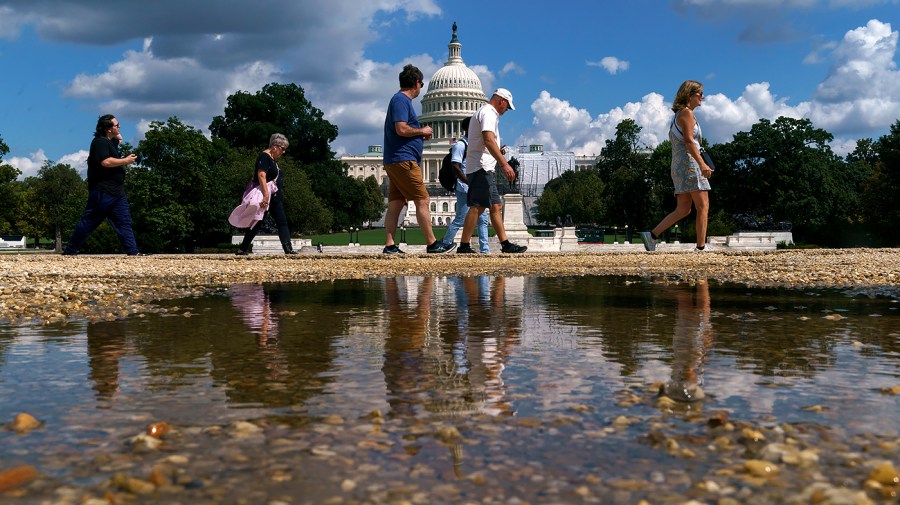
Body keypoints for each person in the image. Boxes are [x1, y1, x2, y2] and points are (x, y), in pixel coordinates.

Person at [382, 64, 455, 254]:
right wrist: (422, 130)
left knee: (396, 203)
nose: (421, 88)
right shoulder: (401, 100)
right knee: (423, 199)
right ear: (416, 83)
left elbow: (403, 131)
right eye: (421, 84)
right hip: (403, 159)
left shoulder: (399, 101)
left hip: (395, 159)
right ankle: (432, 244)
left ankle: (390, 245)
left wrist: (419, 136)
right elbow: (401, 129)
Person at [641, 80, 713, 252]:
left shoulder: (678, 115)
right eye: (699, 94)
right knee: (703, 206)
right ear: (689, 95)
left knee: (683, 209)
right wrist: (702, 164)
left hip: (679, 165)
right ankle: (701, 248)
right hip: (690, 164)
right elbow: (689, 141)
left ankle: (651, 236)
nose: (702, 97)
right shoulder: (687, 113)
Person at [63, 114, 146, 256]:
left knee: (124, 222)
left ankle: (133, 251)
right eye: (116, 125)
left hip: (117, 193)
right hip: (102, 191)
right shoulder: (99, 143)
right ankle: (70, 250)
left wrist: (117, 137)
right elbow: (106, 162)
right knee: (89, 222)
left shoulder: (109, 142)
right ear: (108, 129)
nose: (119, 127)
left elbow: (119, 139)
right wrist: (125, 160)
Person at [457, 89, 527, 254]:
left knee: (495, 206)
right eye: (507, 107)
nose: (506, 111)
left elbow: (486, 142)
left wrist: (496, 152)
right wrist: (504, 164)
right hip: (482, 167)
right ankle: (464, 245)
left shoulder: (483, 112)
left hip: (483, 166)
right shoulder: (489, 113)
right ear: (502, 101)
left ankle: (505, 244)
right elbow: (488, 139)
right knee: (477, 206)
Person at [236, 133, 296, 255]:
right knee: (257, 222)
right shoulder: (264, 157)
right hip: (266, 197)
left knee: (282, 221)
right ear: (274, 146)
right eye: (282, 148)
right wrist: (266, 195)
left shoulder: (273, 160)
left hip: (274, 198)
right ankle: (242, 249)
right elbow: (261, 175)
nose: (283, 152)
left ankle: (288, 249)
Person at [441, 117, 490, 253]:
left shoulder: (476, 145)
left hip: (476, 187)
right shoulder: (460, 145)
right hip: (464, 188)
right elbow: (456, 167)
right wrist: (469, 182)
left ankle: (485, 249)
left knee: (483, 219)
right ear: (469, 129)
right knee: (460, 219)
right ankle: (446, 244)